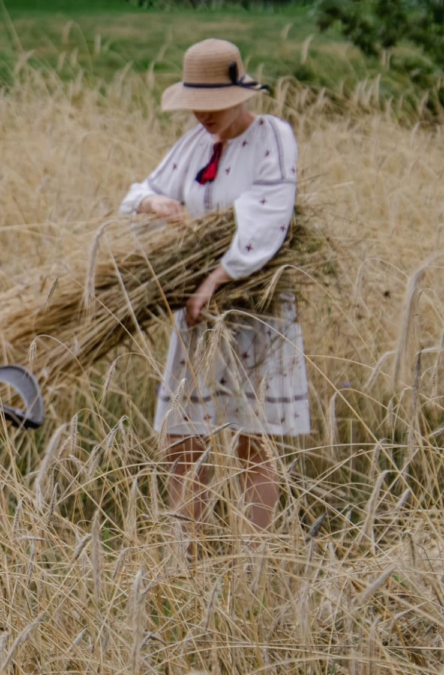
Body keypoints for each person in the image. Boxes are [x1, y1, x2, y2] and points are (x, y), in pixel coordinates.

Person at [119, 40, 311, 532]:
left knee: (253, 438)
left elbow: (270, 214)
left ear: (239, 95)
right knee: (184, 436)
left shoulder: (273, 136)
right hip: (199, 314)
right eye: (195, 104)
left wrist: (216, 279)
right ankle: (187, 560)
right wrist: (153, 205)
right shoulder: (194, 144)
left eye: (213, 105)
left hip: (251, 305)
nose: (203, 114)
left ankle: (257, 563)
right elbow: (139, 191)